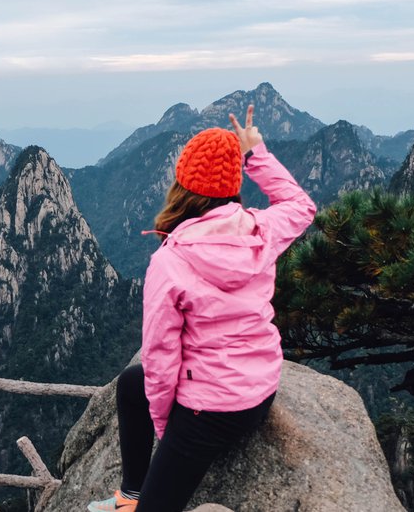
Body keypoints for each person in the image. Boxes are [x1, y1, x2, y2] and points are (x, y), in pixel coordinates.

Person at [87, 105, 318, 512]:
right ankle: (131, 493)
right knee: (129, 384)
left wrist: (168, 432)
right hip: (260, 391)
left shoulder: (171, 261)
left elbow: (161, 357)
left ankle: (141, 502)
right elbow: (301, 206)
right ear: (231, 187)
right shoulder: (262, 230)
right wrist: (256, 152)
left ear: (181, 185)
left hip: (209, 410)